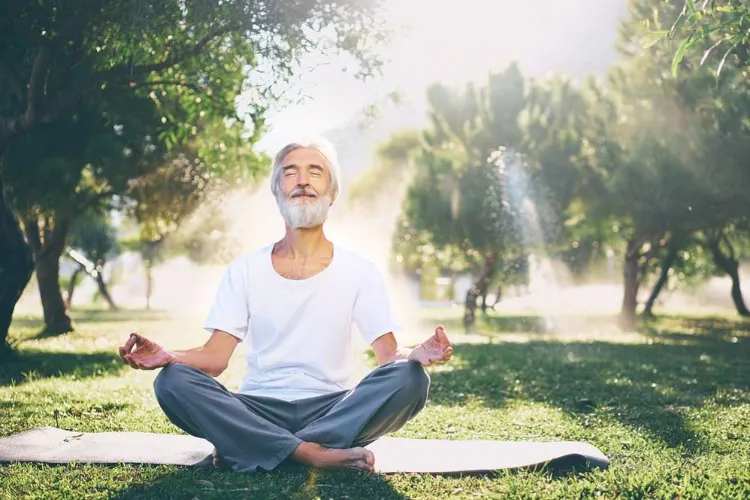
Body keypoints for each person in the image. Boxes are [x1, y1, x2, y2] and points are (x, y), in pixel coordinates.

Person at [117, 138, 454, 474]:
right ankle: (310, 453)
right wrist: (169, 356)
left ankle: (252, 445)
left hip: (333, 409)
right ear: (277, 191)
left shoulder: (360, 270)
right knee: (172, 381)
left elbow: (387, 359)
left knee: (411, 379)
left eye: (315, 172)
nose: (303, 180)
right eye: (290, 173)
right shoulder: (245, 270)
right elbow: (215, 358)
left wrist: (414, 356)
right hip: (257, 408)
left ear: (332, 193)